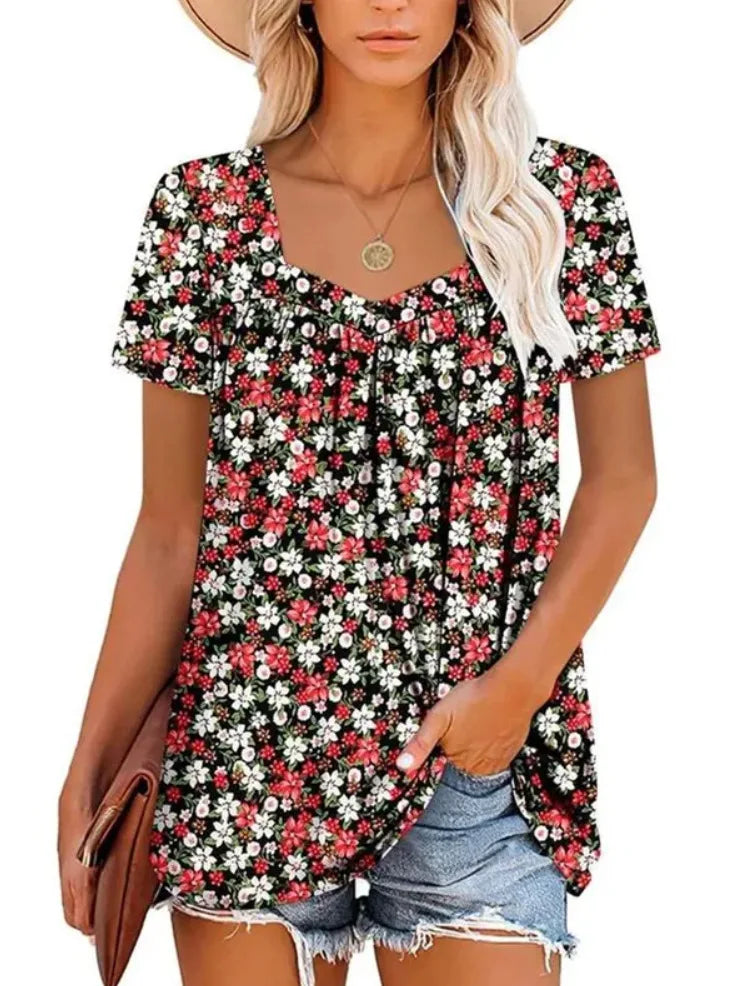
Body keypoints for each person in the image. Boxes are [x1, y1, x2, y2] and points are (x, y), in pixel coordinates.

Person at [57, 2, 661, 984]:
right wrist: (87, 772)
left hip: (474, 767)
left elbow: (624, 479)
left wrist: (514, 690)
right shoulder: (203, 211)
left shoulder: (558, 201)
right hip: (247, 756)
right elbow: (169, 529)